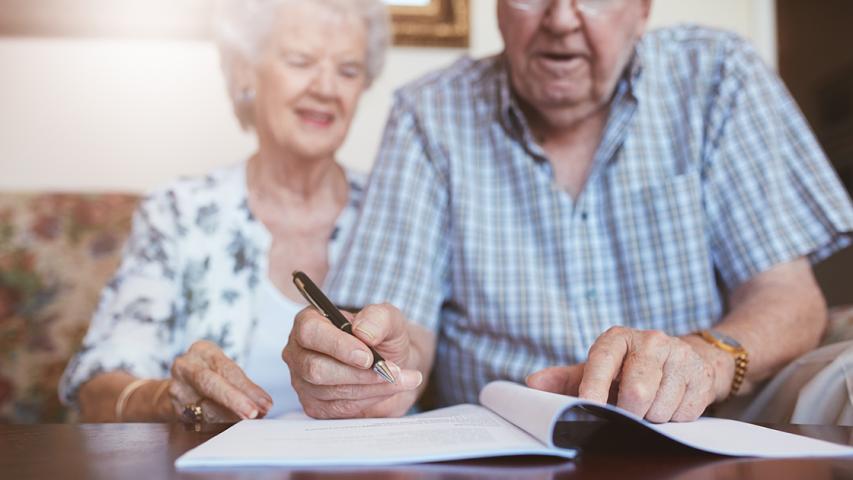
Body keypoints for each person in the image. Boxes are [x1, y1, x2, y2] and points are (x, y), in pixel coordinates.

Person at [282, 0, 853, 422]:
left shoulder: (718, 76)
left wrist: (704, 360)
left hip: (702, 444)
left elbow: (790, 298)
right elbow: (405, 339)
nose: (560, 17)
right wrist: (370, 366)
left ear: (644, 8)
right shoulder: (428, 113)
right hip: (501, 456)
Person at [58, 0, 390, 423]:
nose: (327, 88)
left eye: (348, 70)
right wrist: (168, 398)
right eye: (301, 60)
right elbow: (98, 391)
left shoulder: (396, 207)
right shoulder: (179, 211)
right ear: (245, 71)